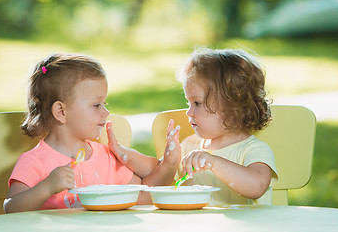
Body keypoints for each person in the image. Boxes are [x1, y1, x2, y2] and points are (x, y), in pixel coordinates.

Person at [4, 53, 179, 213]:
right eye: (96, 105)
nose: (105, 112)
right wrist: (46, 187)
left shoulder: (106, 157)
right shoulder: (35, 161)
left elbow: (144, 197)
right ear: (61, 112)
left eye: (105, 104)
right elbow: (10, 208)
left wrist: (169, 166)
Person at [118, 48, 278, 205]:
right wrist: (129, 156)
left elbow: (257, 186)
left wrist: (213, 162)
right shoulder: (189, 146)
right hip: (197, 230)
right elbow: (155, 171)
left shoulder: (253, 150)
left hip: (246, 231)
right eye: (189, 103)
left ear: (233, 107)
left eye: (197, 103)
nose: (189, 112)